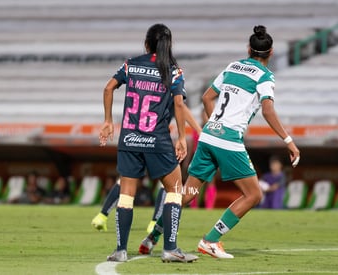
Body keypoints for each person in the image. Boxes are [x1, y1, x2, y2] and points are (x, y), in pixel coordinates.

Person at [140, 25, 300, 259]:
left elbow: (207, 97)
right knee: (253, 195)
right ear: (271, 53)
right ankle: (211, 240)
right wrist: (289, 141)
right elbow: (268, 110)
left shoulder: (232, 66)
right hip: (228, 142)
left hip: (208, 137)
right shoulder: (265, 77)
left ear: (248, 48)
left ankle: (153, 236)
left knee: (189, 192)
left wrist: (214, 123)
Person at [99, 23, 198, 263]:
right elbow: (178, 104)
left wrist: (108, 121)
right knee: (175, 190)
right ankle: (170, 248)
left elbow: (108, 87)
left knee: (126, 195)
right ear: (168, 45)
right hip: (158, 140)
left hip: (130, 138)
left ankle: (120, 250)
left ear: (146, 43)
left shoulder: (131, 64)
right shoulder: (173, 71)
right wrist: (182, 138)